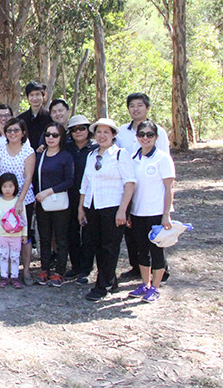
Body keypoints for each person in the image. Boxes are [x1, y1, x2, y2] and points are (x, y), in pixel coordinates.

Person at [78, 118, 136, 302]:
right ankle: (110, 279)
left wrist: (122, 210)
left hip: (112, 207)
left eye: (106, 132)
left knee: (109, 247)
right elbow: (85, 184)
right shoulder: (91, 155)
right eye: (99, 132)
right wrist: (81, 208)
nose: (102, 136)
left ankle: (102, 286)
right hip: (93, 206)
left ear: (113, 135)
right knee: (94, 244)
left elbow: (129, 183)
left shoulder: (120, 155)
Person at [116, 92, 171, 282]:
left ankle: (161, 272)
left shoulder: (159, 132)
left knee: (156, 237)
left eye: (140, 105)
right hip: (130, 187)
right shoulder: (122, 131)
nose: (136, 109)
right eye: (132, 105)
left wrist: (167, 209)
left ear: (147, 108)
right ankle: (137, 267)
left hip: (152, 191)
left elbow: (164, 166)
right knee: (132, 233)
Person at [127, 121, 175, 303]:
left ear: (156, 137)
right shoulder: (133, 158)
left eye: (149, 135)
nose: (145, 138)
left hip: (156, 213)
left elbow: (169, 188)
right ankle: (145, 284)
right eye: (141, 134)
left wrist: (166, 214)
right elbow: (131, 187)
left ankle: (155, 287)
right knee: (141, 251)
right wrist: (129, 212)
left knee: (157, 251)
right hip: (138, 212)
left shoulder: (163, 158)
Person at [0, 118, 36, 285]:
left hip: (24, 200)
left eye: (16, 130)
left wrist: (20, 201)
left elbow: (28, 177)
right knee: (4, 232)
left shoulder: (28, 151)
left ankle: (26, 271)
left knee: (23, 234)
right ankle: (7, 272)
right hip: (3, 200)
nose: (12, 134)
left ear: (23, 132)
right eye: (9, 130)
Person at [33, 121, 74, 287]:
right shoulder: (40, 156)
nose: (51, 138)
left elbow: (69, 181)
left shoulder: (66, 156)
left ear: (61, 137)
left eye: (55, 135)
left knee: (61, 238)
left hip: (59, 203)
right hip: (42, 203)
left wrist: (49, 191)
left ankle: (60, 272)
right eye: (47, 134)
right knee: (44, 237)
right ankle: (44, 269)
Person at [64, 115, 98, 284]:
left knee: (89, 233)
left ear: (88, 130)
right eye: (74, 129)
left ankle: (86, 269)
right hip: (69, 195)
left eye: (82, 128)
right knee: (72, 233)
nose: (78, 132)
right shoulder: (66, 147)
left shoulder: (96, 148)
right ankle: (75, 266)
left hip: (90, 197)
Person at [0, 173, 28, 289]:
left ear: (15, 187)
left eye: (10, 186)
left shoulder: (19, 201)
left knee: (15, 256)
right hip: (3, 234)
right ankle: (4, 276)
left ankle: (14, 276)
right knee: (3, 255)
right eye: (4, 186)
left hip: (16, 235)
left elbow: (24, 218)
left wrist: (24, 234)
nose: (7, 189)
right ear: (0, 188)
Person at [18, 81, 52, 151]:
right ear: (27, 97)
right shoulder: (21, 119)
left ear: (43, 96)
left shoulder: (50, 118)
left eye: (37, 94)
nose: (35, 98)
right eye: (31, 95)